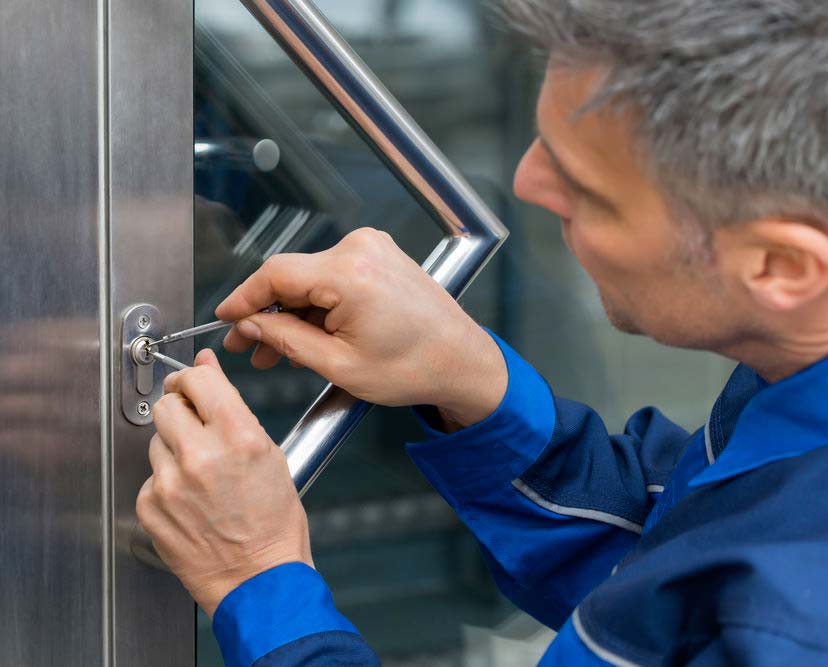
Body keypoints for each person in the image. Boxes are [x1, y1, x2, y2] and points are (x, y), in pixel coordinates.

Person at [136, 1, 828, 665]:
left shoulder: (794, 628)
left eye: (588, 190)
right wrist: (468, 379)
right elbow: (665, 580)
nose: (525, 184)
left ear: (781, 266)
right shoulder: (791, 387)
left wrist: (258, 578)